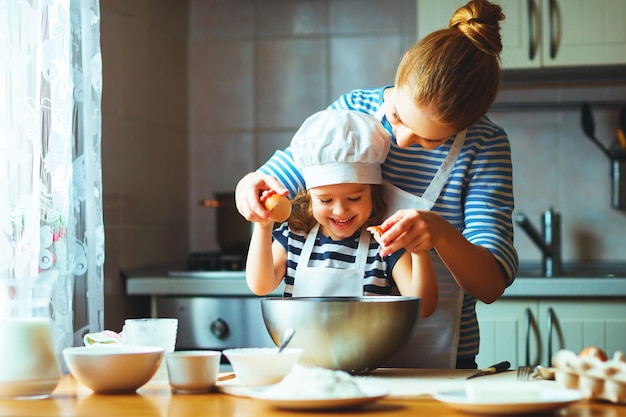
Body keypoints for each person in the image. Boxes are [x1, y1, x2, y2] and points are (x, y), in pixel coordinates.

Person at [235, 0, 518, 370]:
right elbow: (274, 183)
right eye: (399, 115)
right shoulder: (353, 110)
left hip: (442, 357)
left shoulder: (484, 145)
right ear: (401, 72)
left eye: (428, 139)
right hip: (334, 360)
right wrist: (250, 188)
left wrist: (439, 235)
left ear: (468, 122)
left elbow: (490, 285)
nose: (399, 139)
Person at [245, 110, 439, 318]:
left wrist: (419, 252)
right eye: (325, 200)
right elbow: (260, 285)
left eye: (354, 198)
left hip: (369, 350)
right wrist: (263, 227)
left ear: (373, 194)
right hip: (303, 349)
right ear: (310, 197)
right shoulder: (294, 237)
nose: (340, 210)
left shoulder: (384, 244)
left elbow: (423, 307)